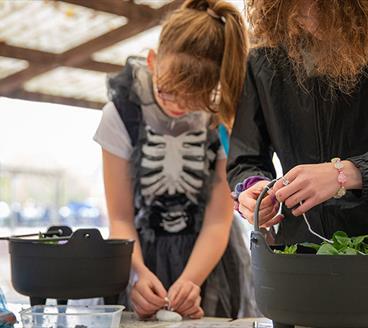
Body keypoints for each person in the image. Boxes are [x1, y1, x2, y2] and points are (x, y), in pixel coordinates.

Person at [227, 0, 368, 327]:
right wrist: (252, 190)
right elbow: (246, 158)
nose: (306, 15)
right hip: (302, 264)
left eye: (321, 5)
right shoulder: (264, 58)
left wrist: (351, 173)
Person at [94, 0, 256, 319]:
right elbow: (121, 218)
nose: (179, 105)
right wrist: (137, 275)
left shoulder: (219, 118)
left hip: (211, 261)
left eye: (194, 96)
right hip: (138, 254)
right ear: (153, 62)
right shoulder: (120, 115)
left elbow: (218, 220)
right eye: (168, 90)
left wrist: (191, 280)